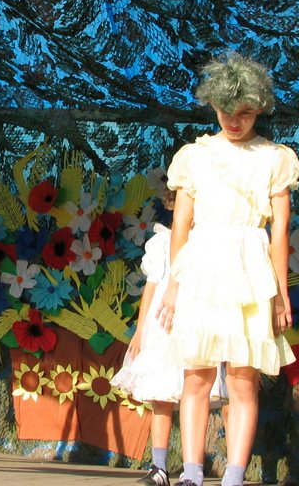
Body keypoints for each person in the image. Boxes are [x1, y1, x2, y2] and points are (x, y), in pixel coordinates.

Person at [156, 52, 299, 486]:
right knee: (196, 375)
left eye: (246, 113)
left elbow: (279, 232)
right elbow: (181, 225)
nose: (235, 121)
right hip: (202, 269)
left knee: (242, 380)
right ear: (213, 105)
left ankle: (234, 476)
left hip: (250, 270)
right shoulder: (194, 156)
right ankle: (192, 472)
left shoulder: (274, 158)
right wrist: (174, 285)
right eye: (226, 111)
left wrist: (280, 293)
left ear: (260, 109)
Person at [112, 186, 226, 486]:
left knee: (196, 390)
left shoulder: (207, 241)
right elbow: (151, 287)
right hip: (163, 324)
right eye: (181, 204)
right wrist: (140, 330)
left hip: (196, 320)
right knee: (160, 395)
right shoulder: (161, 241)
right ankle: (159, 467)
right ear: (172, 205)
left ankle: (193, 469)